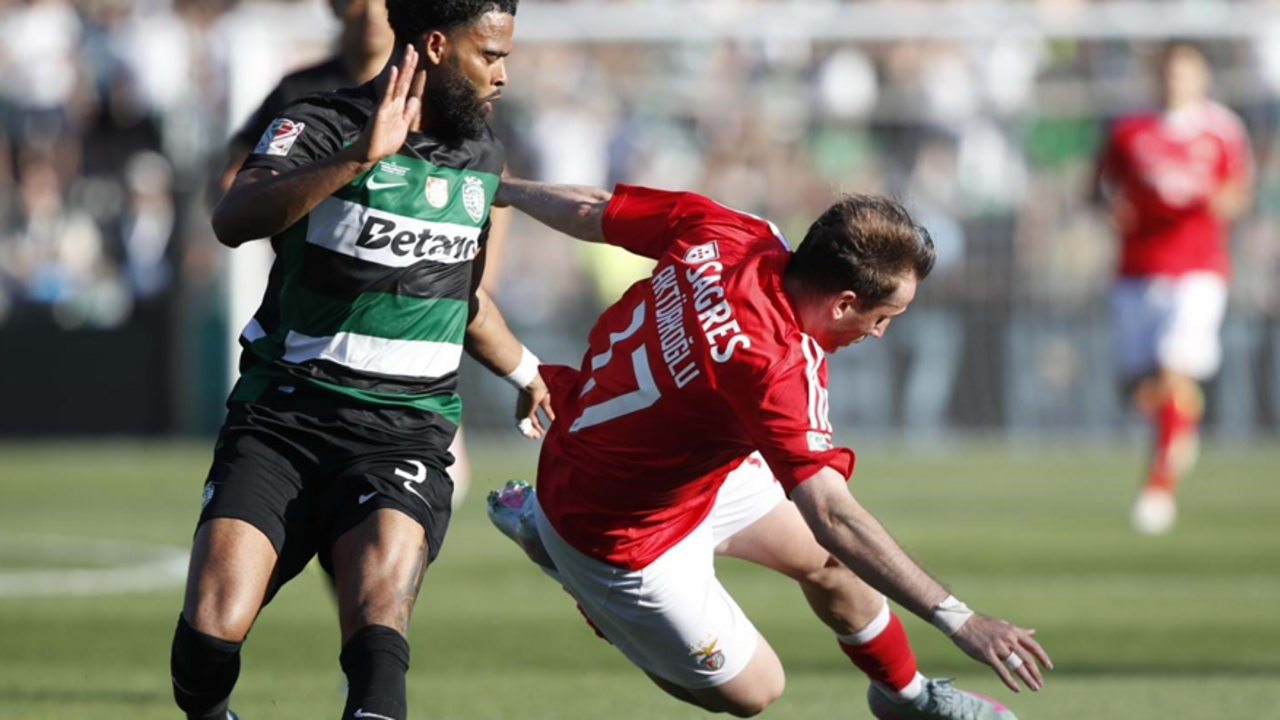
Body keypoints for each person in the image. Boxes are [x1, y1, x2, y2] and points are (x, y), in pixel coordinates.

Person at [488, 177, 1051, 720]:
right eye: (882, 318)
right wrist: (961, 621)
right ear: (842, 302)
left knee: (835, 566)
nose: (879, 333)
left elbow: (592, 208)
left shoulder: (735, 232)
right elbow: (834, 514)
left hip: (669, 461)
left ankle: (906, 699)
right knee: (754, 691)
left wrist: (505, 187)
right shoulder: (777, 370)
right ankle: (563, 562)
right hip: (612, 529)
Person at [169, 3, 545, 720]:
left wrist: (528, 372)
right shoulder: (319, 122)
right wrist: (357, 160)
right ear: (436, 46)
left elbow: (464, 298)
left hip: (403, 434)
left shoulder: (483, 156)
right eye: (490, 56)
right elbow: (232, 219)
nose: (503, 74)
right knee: (208, 637)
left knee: (377, 619)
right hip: (283, 419)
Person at [212, 0, 479, 504]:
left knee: (395, 523)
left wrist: (478, 276)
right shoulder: (301, 92)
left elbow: (487, 191)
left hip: (404, 333)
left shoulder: (444, 101)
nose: (367, 13)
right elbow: (233, 188)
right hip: (313, 319)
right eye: (354, 2)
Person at [1094, 41, 1254, 534]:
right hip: (1138, 269)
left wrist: (1203, 198)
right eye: (1168, 71)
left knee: (1172, 368)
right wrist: (1112, 211)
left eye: (1185, 71)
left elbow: (1238, 193)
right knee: (1141, 387)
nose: (1175, 80)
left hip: (1197, 268)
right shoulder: (1129, 129)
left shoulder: (1221, 128)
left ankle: (1158, 489)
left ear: (1202, 76)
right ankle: (1181, 422)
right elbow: (1099, 188)